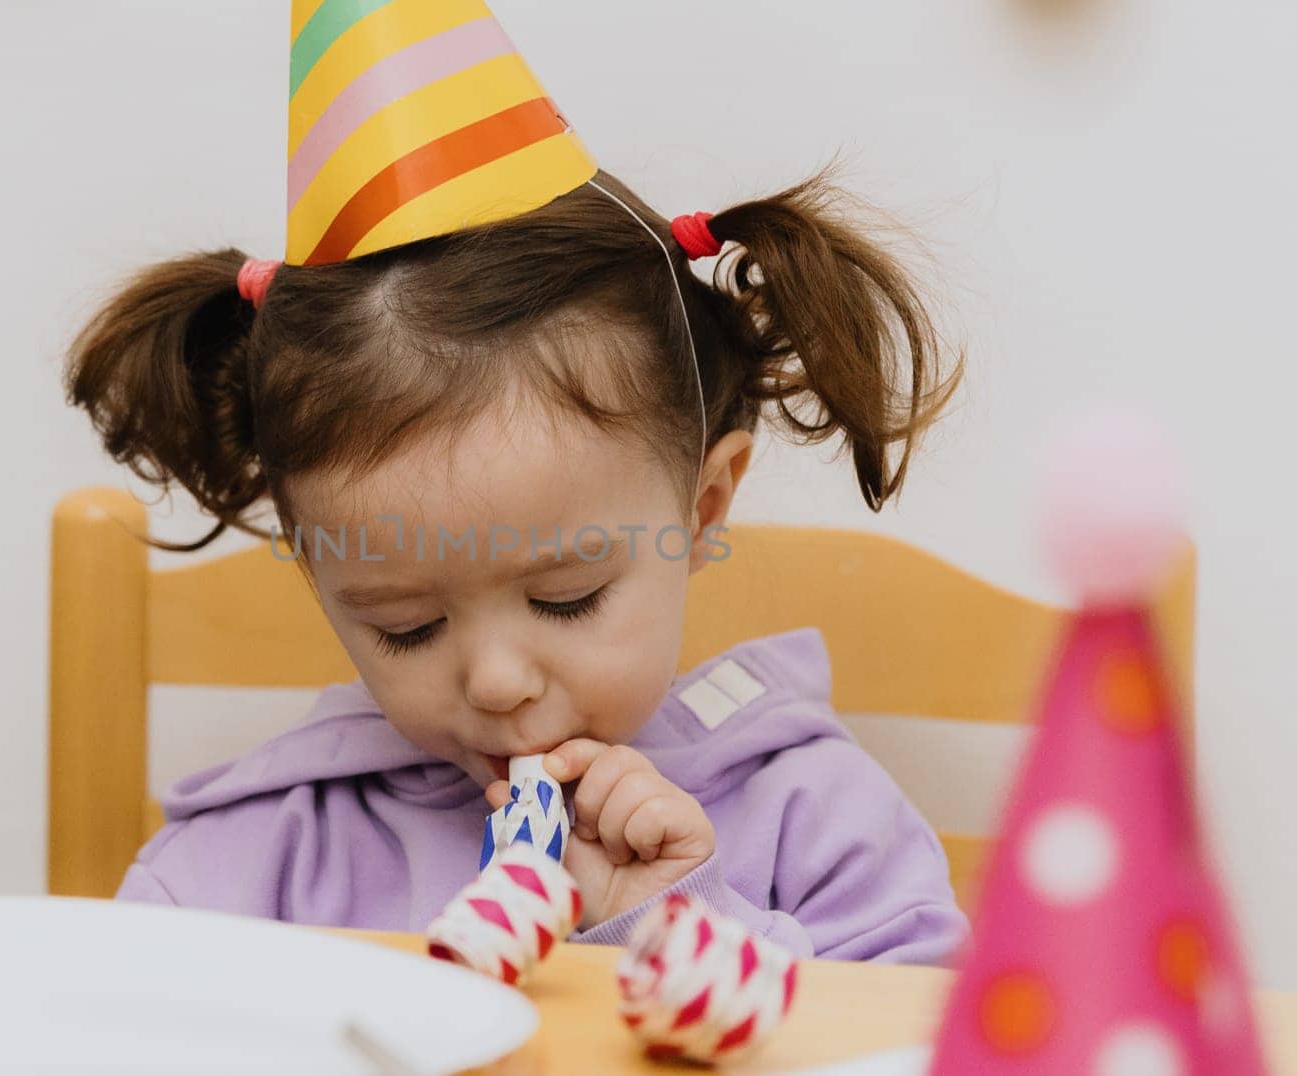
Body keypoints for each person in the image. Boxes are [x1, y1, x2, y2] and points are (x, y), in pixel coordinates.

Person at [64, 0, 967, 963]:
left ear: (703, 507)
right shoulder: (261, 858)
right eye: (404, 624)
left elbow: (926, 1037)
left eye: (566, 598)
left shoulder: (811, 814)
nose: (495, 683)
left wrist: (678, 927)